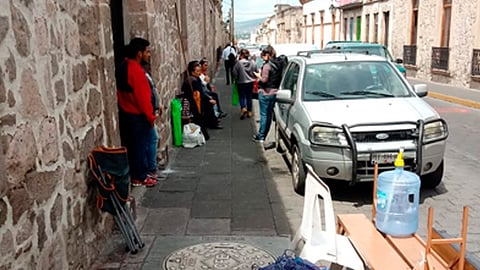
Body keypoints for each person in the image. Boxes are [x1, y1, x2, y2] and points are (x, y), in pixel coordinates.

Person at [116, 37, 157, 187]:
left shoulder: (123, 66)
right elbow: (143, 98)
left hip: (127, 113)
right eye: (147, 52)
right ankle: (140, 176)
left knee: (134, 146)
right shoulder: (136, 71)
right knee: (140, 147)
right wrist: (150, 116)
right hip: (137, 116)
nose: (148, 55)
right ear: (139, 53)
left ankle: (138, 174)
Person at [253, 45, 278, 143]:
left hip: (265, 92)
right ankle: (264, 134)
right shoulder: (277, 64)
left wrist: (258, 76)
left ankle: (261, 136)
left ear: (267, 55)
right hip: (274, 92)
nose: (263, 58)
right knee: (268, 115)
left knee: (263, 115)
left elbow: (264, 80)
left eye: (263, 56)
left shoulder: (267, 66)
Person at [142, 61, 162, 180]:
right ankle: (151, 168)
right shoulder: (142, 75)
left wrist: (157, 104)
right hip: (146, 114)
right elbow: (145, 96)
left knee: (152, 139)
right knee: (151, 139)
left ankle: (152, 166)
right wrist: (150, 115)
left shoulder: (146, 75)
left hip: (151, 111)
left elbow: (153, 91)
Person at [232, 49, 258, 120]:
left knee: (242, 96)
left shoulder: (238, 63)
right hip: (250, 82)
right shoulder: (252, 62)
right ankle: (249, 111)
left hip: (241, 82)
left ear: (241, 55)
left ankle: (243, 108)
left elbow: (234, 72)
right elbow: (256, 71)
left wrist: (237, 77)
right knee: (249, 96)